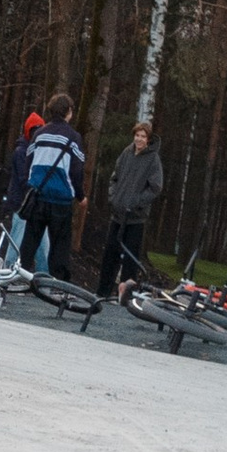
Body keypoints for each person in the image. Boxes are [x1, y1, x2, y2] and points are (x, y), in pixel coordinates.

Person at [11, 92, 86, 278]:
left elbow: (28, 164)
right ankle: (57, 283)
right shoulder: (73, 137)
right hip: (61, 200)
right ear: (68, 112)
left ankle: (18, 276)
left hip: (38, 196)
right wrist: (80, 195)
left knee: (30, 241)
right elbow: (76, 171)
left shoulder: (39, 134)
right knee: (60, 245)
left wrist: (30, 186)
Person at [95, 121, 163, 299]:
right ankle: (102, 292)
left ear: (148, 139)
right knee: (110, 254)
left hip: (135, 218)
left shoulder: (153, 159)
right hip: (117, 215)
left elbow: (155, 187)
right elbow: (114, 177)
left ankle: (125, 296)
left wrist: (137, 202)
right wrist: (113, 197)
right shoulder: (126, 152)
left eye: (143, 137)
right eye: (137, 135)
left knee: (131, 259)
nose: (139, 139)